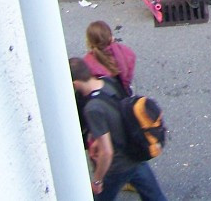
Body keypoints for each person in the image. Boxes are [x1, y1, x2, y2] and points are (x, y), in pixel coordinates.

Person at [69, 58, 168, 201]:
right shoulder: (108, 82)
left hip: (117, 166)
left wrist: (97, 180)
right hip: (135, 152)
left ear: (75, 84)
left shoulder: (93, 109)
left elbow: (107, 152)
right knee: (155, 197)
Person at [83, 20, 136, 96]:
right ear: (111, 38)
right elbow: (128, 75)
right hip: (125, 92)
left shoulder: (87, 63)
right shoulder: (126, 52)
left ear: (89, 42)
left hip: (106, 98)